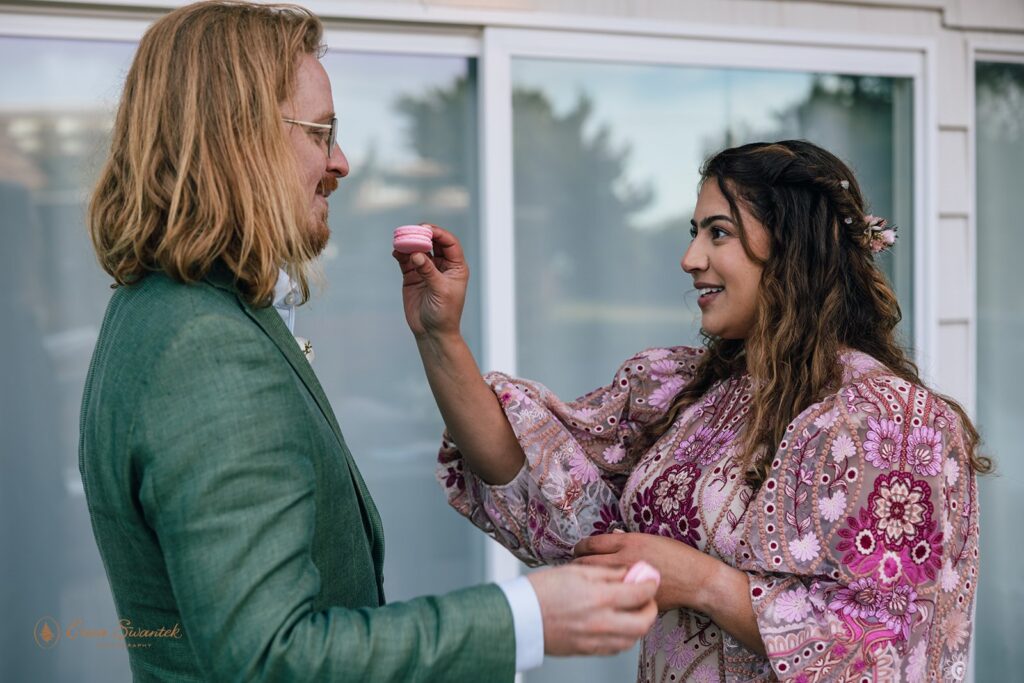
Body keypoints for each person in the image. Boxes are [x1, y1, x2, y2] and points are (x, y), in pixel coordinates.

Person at [79, 2, 658, 681]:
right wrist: (527, 617)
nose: (342, 161)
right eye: (321, 132)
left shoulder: (153, 311)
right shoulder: (207, 347)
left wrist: (438, 337)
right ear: (238, 138)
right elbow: (271, 656)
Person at [395, 139, 990, 681]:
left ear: (794, 247)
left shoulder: (888, 422)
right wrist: (439, 336)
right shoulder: (693, 395)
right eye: (693, 231)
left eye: (718, 233)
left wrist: (702, 583)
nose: (689, 257)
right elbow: (549, 487)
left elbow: (886, 646)